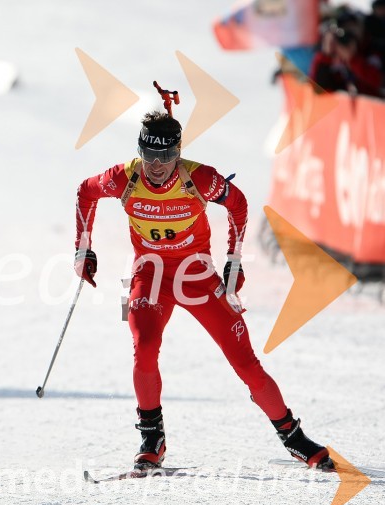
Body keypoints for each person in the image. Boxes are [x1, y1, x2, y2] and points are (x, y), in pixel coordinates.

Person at [73, 107, 333, 472]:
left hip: (197, 276)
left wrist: (234, 259)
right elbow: (85, 191)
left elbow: (238, 204)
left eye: (165, 156)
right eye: (149, 155)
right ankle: (152, 438)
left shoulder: (201, 179)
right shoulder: (124, 178)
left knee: (244, 362)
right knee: (144, 348)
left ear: (178, 153)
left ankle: (293, 437)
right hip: (150, 276)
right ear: (140, 151)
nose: (157, 165)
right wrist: (83, 247)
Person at [309, 25, 384, 96]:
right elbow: (317, 89)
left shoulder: (373, 52)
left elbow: (379, 82)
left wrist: (352, 60)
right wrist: (326, 54)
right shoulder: (328, 59)